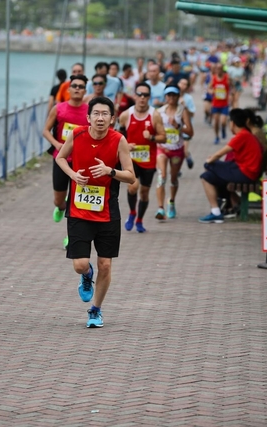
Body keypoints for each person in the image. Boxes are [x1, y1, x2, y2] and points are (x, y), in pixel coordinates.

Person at [55, 96, 135, 328]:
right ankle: (86, 275)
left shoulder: (118, 140)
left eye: (105, 114)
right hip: (79, 210)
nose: (100, 118)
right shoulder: (77, 134)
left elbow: (131, 176)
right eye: (96, 114)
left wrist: (110, 171)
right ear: (88, 117)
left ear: (112, 118)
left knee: (105, 264)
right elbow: (60, 157)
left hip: (108, 211)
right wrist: (72, 175)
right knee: (80, 264)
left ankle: (95, 310)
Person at [43, 74, 89, 248]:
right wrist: (57, 144)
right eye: (74, 86)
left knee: (76, 202)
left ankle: (71, 236)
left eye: (81, 86)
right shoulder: (59, 108)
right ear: (68, 89)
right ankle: (61, 207)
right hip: (61, 159)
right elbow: (46, 130)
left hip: (81, 161)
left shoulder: (89, 111)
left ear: (85, 90)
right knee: (59, 200)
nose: (77, 89)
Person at [198, 108, 263, 224]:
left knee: (209, 166)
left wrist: (210, 160)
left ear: (232, 123)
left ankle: (222, 208)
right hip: (247, 171)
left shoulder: (242, 135)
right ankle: (217, 211)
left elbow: (220, 153)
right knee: (206, 176)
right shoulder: (247, 134)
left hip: (246, 173)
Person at [118, 82, 166, 233]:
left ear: (149, 97)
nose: (142, 98)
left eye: (145, 95)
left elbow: (163, 137)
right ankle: (132, 212)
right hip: (131, 159)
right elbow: (118, 136)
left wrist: (151, 137)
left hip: (148, 160)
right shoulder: (126, 115)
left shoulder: (155, 115)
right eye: (139, 94)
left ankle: (139, 219)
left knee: (144, 193)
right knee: (133, 187)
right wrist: (125, 145)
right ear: (135, 96)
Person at [155, 85, 193, 220]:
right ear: (165, 97)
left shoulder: (182, 111)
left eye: (174, 95)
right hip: (162, 149)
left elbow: (190, 132)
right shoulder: (159, 112)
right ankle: (160, 208)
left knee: (173, 178)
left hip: (177, 150)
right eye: (169, 95)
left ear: (178, 96)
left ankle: (171, 202)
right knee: (162, 176)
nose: (171, 97)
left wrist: (178, 126)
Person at [208, 63, 232, 145]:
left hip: (224, 104)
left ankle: (223, 129)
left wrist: (231, 95)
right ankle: (216, 136)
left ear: (222, 69)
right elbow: (209, 87)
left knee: (223, 122)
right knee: (216, 122)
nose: (218, 70)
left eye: (220, 69)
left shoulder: (227, 78)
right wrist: (211, 91)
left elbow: (231, 87)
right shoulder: (214, 78)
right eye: (217, 69)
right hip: (215, 104)